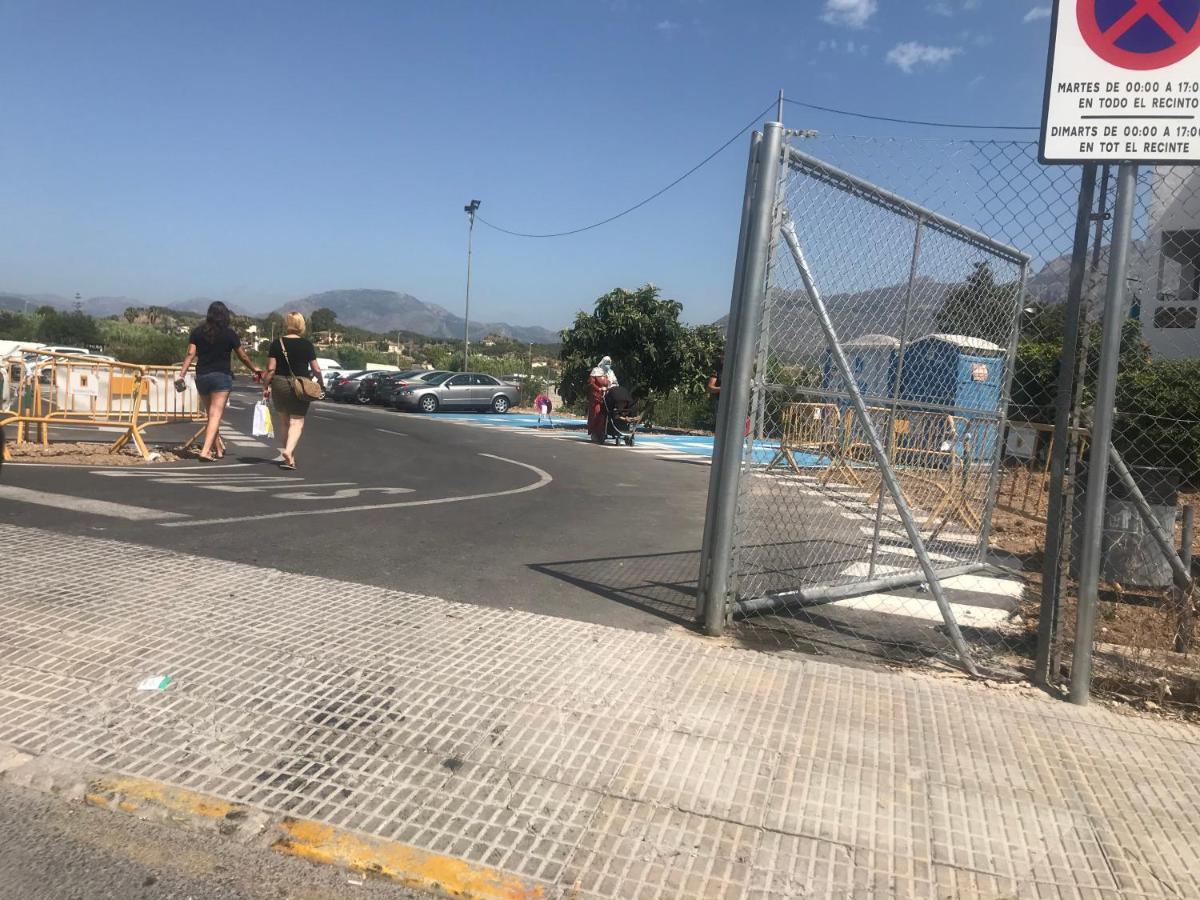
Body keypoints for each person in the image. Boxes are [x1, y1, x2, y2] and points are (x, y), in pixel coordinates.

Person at [178, 301, 263, 461]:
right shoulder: (229, 333)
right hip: (221, 377)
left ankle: (218, 449)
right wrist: (255, 368)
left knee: (211, 416)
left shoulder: (197, 332)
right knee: (215, 415)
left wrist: (182, 374)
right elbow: (242, 356)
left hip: (202, 376)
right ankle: (205, 451)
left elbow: (190, 354)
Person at [262, 311, 322, 470]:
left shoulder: (276, 343)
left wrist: (266, 386)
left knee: (284, 422)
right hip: (299, 385)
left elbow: (270, 369)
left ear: (286, 324)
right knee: (297, 422)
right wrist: (320, 382)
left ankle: (290, 458)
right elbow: (316, 369)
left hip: (279, 383)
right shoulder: (307, 345)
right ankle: (289, 451)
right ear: (301, 325)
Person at [587, 355, 617, 442]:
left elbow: (614, 382)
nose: (608, 365)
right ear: (603, 362)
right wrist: (599, 389)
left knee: (606, 416)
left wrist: (612, 388)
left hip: (607, 397)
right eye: (606, 363)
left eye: (609, 363)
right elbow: (591, 383)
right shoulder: (596, 371)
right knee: (597, 414)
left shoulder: (610, 372)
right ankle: (594, 433)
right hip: (596, 397)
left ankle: (602, 433)